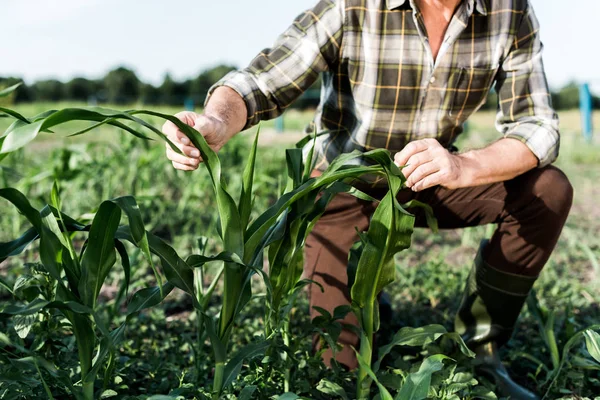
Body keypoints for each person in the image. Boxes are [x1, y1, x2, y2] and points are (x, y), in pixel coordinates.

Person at [162, 1, 572, 398]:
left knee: (547, 190)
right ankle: (370, 289)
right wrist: (215, 121)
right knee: (339, 372)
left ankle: (479, 350)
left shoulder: (509, 9)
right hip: (344, 185)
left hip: (428, 176)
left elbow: (537, 126)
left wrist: (463, 166)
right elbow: (261, 82)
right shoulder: (352, 4)